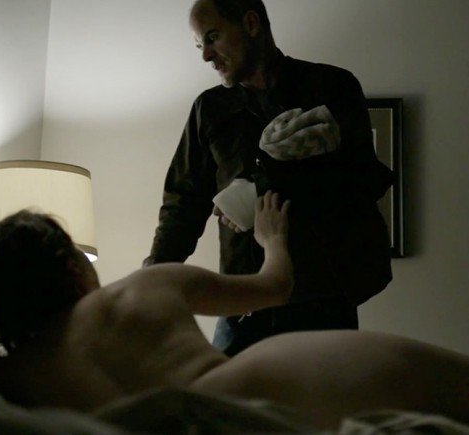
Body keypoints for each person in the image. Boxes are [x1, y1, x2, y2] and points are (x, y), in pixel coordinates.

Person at [0, 204, 469, 431]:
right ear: (75, 270)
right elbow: (274, 288)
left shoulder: (7, 372)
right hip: (241, 385)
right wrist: (273, 239)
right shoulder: (139, 287)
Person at [144, 0, 395, 356]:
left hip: (323, 299)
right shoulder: (209, 109)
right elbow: (183, 202)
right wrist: (151, 281)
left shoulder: (332, 87)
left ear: (250, 23)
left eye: (213, 38)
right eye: (200, 45)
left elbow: (364, 180)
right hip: (241, 302)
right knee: (222, 393)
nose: (206, 56)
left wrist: (259, 189)